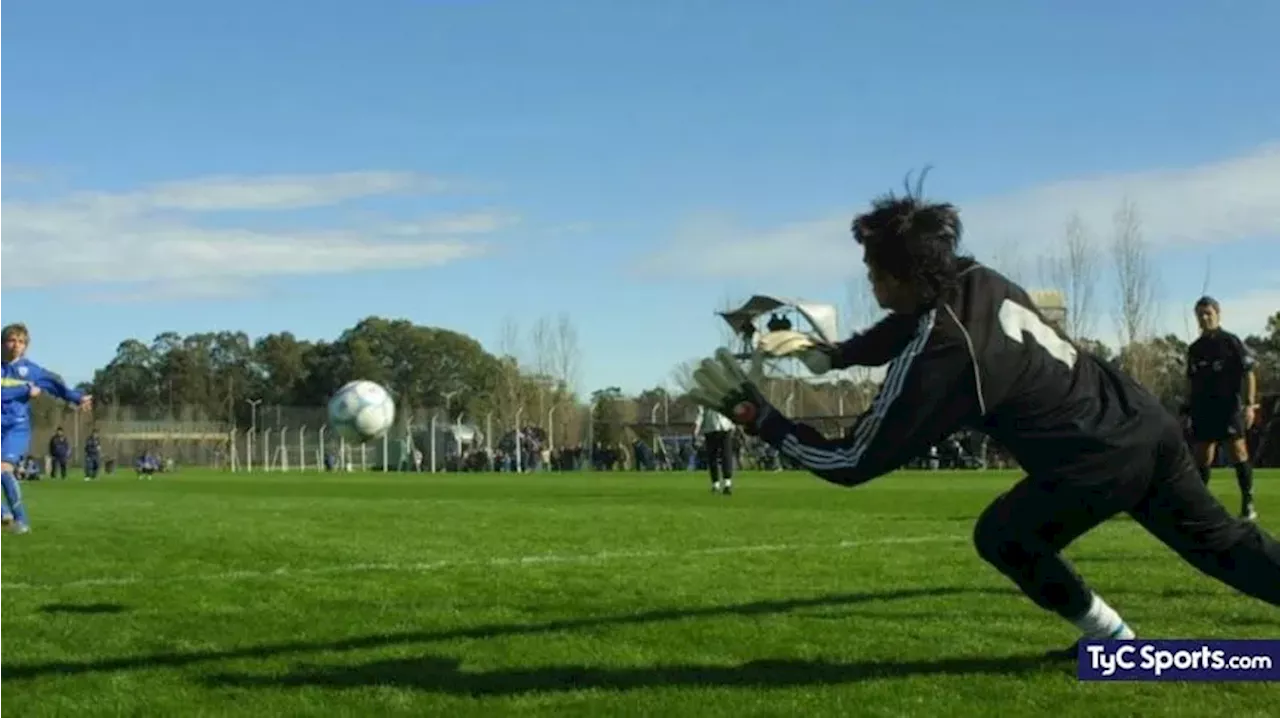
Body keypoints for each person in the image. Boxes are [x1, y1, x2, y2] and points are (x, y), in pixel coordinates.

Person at [687, 179, 1280, 657]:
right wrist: (837, 354)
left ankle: (1115, 644)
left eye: (874, 272)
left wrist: (759, 418)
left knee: (1004, 537)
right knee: (1225, 546)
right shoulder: (978, 279)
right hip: (1144, 424)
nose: (869, 281)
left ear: (906, 276)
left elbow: (851, 461)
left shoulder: (945, 356)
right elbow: (914, 321)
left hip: (1094, 461)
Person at [0, 323, 93, 533]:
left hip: (15, 427)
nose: (16, 345)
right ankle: (2, 513)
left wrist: (77, 397)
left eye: (21, 342)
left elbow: (54, 385)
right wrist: (25, 391)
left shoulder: (31, 371)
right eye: (12, 340)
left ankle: (20, 520)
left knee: (3, 469)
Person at [1184, 296, 1260, 520]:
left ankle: (1248, 503)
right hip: (1202, 410)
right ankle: (1201, 506)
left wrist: (1249, 405)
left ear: (1218, 314)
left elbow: (1249, 373)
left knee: (1238, 452)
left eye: (1208, 313)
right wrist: (1186, 408)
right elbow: (1189, 380)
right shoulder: (1194, 349)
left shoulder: (1231, 342)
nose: (1204, 318)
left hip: (1228, 408)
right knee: (1202, 457)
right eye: (1200, 314)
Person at [693, 404, 736, 494]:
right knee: (712, 457)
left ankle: (727, 484)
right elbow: (700, 413)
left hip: (725, 427)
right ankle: (715, 484)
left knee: (726, 455)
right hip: (710, 428)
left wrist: (734, 424)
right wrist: (695, 430)